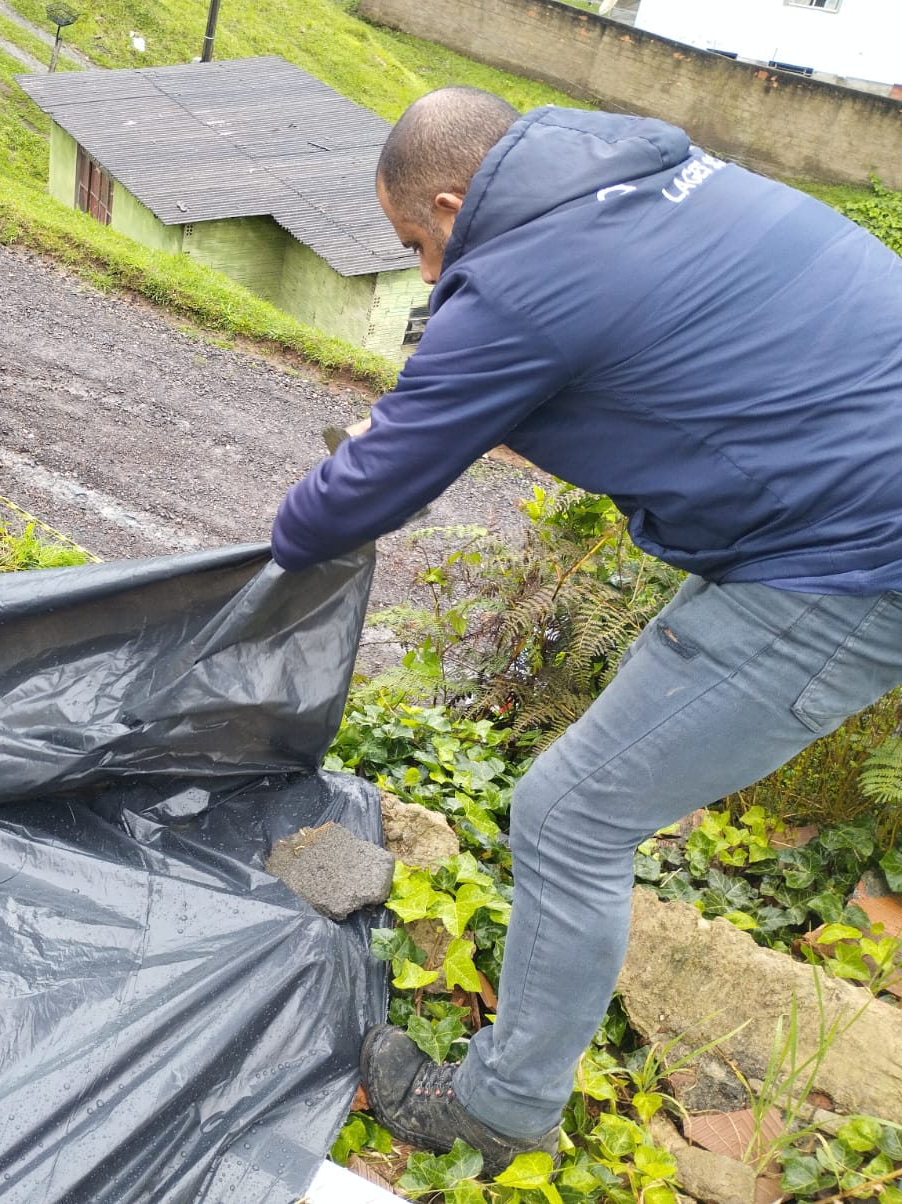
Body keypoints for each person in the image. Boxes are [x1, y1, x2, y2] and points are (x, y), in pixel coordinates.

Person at [270, 87, 902, 1174]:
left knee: (567, 815)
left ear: (455, 200)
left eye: (419, 243)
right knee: (611, 767)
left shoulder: (522, 286)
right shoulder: (643, 165)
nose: (428, 276)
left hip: (853, 561)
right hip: (826, 508)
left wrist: (283, 533)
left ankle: (500, 1109)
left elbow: (348, 503)